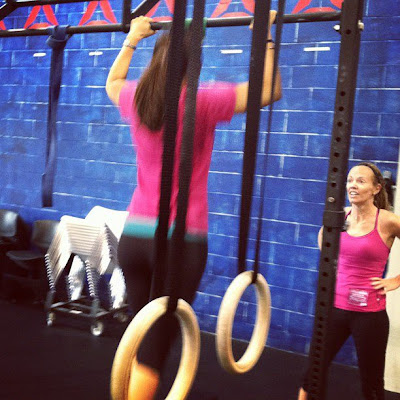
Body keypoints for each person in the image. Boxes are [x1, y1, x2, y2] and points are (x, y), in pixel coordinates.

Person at [106, 13, 282, 400]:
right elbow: (269, 90)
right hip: (179, 243)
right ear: (195, 62)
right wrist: (265, 36)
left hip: (134, 238)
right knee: (155, 350)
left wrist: (131, 39)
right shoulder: (203, 99)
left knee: (140, 334)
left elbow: (112, 82)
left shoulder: (136, 96)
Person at [298, 162, 400, 400]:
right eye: (350, 180)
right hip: (334, 310)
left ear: (376, 188)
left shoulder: (387, 221)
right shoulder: (337, 217)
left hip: (370, 315)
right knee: (312, 373)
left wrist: (396, 280)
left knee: (372, 384)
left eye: (361, 181)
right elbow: (324, 242)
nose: (353, 185)